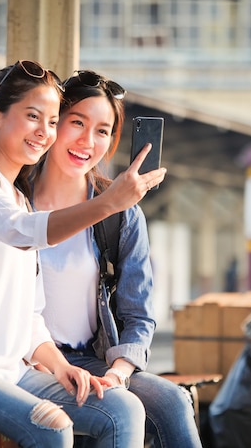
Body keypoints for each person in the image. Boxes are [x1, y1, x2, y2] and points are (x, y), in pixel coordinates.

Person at [0, 60, 166, 448]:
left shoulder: (19, 198)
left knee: (122, 410)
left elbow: (30, 315)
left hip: (6, 371)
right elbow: (26, 234)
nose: (44, 132)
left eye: (53, 121)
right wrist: (109, 203)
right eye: (33, 116)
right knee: (51, 426)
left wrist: (61, 368)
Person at [30, 70, 202, 448]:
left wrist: (118, 372)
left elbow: (138, 314)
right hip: (26, 360)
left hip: (91, 359)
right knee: (116, 414)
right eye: (77, 122)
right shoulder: (13, 200)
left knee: (173, 400)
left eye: (103, 130)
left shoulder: (121, 214)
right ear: (54, 122)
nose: (87, 141)